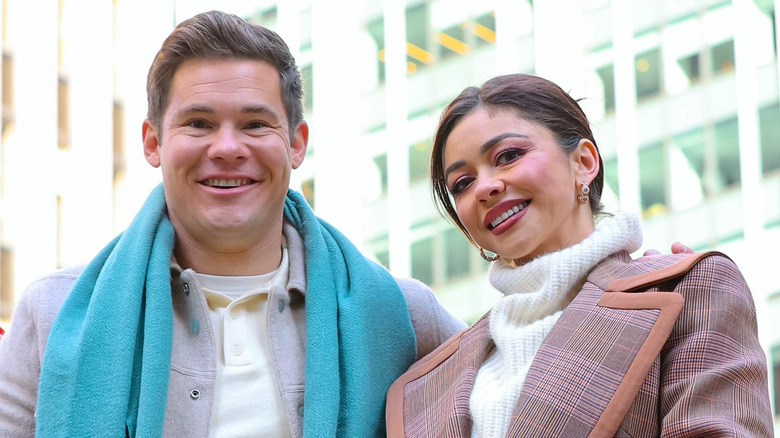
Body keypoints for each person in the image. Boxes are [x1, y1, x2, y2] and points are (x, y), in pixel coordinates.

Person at [0, 10, 466, 437]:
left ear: (296, 144)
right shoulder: (51, 314)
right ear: (152, 142)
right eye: (199, 123)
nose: (226, 147)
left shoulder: (404, 315)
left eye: (255, 124)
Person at [385, 74, 773, 437]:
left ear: (584, 162)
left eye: (508, 155)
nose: (485, 187)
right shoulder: (423, 386)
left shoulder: (688, 288)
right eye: (463, 184)